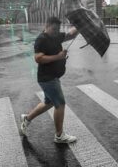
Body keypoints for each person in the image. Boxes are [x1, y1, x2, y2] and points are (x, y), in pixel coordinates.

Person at [20, 16, 79, 144]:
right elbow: (38, 58)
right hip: (47, 78)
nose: (56, 32)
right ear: (47, 26)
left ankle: (27, 118)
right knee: (60, 103)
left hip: (52, 76)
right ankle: (59, 136)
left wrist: (80, 26)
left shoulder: (55, 36)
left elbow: (70, 35)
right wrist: (58, 57)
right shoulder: (41, 39)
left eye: (58, 29)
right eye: (53, 29)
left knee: (50, 102)